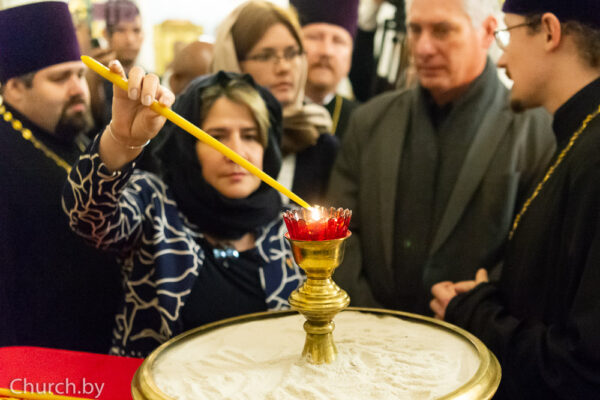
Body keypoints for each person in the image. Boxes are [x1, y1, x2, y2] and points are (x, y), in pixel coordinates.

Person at [326, 0, 556, 314]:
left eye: (442, 30)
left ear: (487, 32)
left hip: (476, 332)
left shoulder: (538, 132)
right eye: (415, 29)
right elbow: (340, 230)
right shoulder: (370, 122)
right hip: (370, 329)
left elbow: (535, 253)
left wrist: (473, 310)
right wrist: (372, 319)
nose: (423, 48)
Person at [62, 67, 304, 357]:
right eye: (217, 136)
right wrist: (122, 139)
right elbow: (86, 216)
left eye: (250, 136)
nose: (237, 153)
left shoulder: (294, 227)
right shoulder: (155, 204)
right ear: (188, 147)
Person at [430, 0, 600, 397]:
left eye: (506, 34)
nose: (502, 59)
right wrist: (484, 299)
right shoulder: (578, 138)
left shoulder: (594, 153)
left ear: (549, 32)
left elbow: (584, 367)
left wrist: (474, 315)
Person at [0, 2, 120, 353]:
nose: (77, 89)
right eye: (60, 78)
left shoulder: (77, 138)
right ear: (14, 88)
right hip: (38, 354)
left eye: (79, 75)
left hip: (99, 339)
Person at [211, 0, 337, 206]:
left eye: (292, 53)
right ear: (234, 64)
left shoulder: (320, 142)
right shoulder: (206, 138)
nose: (284, 67)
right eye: (266, 56)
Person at [290, 0, 360, 140]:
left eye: (338, 41)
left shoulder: (364, 122)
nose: (326, 51)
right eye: (314, 37)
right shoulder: (268, 110)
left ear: (350, 58)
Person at [87, 0, 144, 129]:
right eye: (120, 30)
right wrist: (92, 80)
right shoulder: (93, 78)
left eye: (136, 30)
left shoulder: (153, 79)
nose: (130, 39)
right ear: (106, 34)